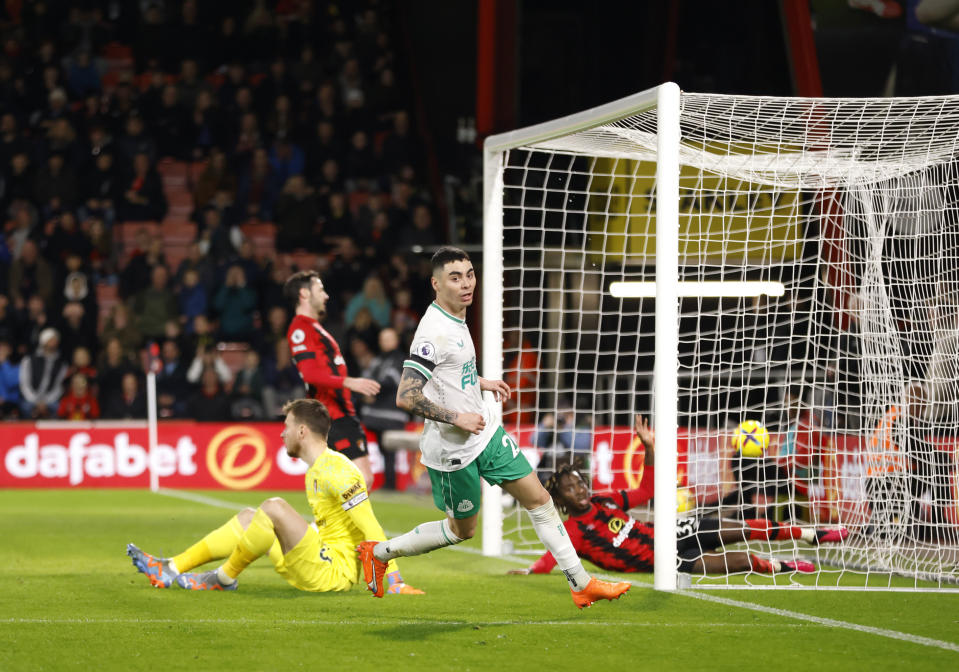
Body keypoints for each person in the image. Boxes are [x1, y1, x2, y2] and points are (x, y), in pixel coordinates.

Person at [357, 246, 631, 608]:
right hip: (453, 450)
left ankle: (581, 584)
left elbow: (449, 372)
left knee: (541, 500)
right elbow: (406, 396)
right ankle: (379, 553)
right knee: (461, 531)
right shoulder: (433, 331)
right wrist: (458, 417)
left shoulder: (457, 316)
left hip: (485, 435)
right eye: (455, 277)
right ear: (436, 284)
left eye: (469, 274)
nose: (466, 283)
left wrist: (479, 383)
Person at [126, 399, 421, 595]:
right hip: (321, 557)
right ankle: (170, 568)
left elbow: (371, 526)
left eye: (287, 427)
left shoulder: (337, 471)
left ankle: (223, 578)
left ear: (302, 431)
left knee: (274, 507)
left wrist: (393, 579)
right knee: (247, 517)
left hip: (334, 572)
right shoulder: (317, 470)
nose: (282, 434)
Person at [509, 416, 849, 578]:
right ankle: (788, 566)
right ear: (562, 501)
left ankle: (811, 534)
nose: (580, 490)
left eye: (580, 484)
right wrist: (529, 571)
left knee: (744, 526)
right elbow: (552, 558)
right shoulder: (573, 533)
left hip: (676, 531)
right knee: (744, 561)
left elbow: (645, 491)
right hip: (666, 562)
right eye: (571, 490)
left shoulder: (605, 502)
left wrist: (649, 448)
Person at [283, 270, 382, 486]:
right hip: (333, 414)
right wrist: (349, 382)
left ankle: (327, 519)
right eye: (320, 289)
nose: (326, 295)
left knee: (348, 482)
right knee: (361, 479)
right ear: (304, 294)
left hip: (340, 411)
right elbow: (309, 374)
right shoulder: (300, 328)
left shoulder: (314, 327)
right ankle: (327, 520)